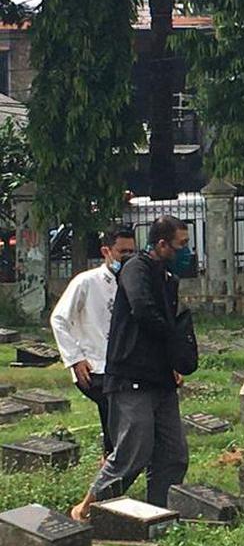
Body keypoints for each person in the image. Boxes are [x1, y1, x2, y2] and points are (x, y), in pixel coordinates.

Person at [71, 216, 193, 520]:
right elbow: (143, 309)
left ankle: (158, 515)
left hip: (161, 378)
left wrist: (174, 359)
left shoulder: (168, 279)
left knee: (173, 454)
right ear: (162, 244)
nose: (186, 252)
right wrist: (171, 337)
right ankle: (88, 508)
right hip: (131, 376)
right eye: (182, 245)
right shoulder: (136, 268)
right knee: (133, 451)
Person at [50, 227, 137, 463]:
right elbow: (59, 319)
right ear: (106, 251)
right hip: (94, 365)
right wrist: (75, 358)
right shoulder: (86, 282)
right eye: (122, 252)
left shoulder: (135, 282)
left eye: (132, 251)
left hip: (126, 364)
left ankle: (113, 462)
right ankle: (111, 463)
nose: (127, 257)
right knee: (113, 405)